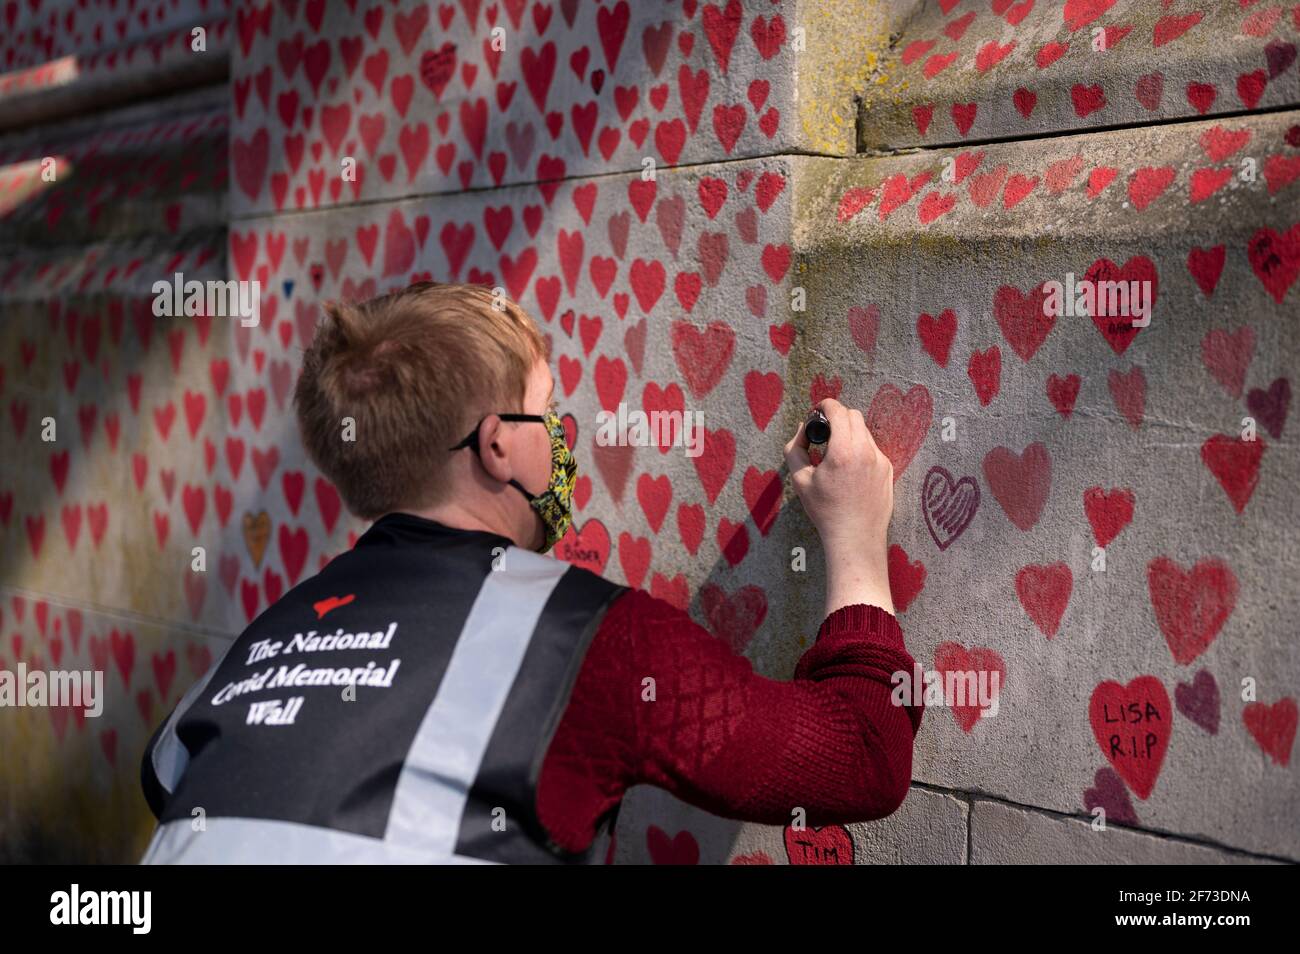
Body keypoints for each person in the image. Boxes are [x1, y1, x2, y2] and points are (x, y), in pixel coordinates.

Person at [139, 281, 922, 864]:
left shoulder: (270, 635)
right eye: (547, 414)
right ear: (496, 447)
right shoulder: (588, 639)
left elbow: (169, 779)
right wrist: (855, 537)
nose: (560, 438)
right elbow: (865, 760)